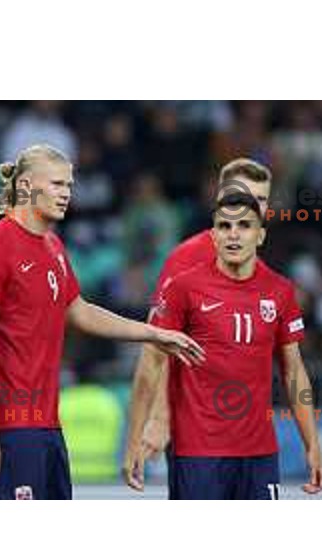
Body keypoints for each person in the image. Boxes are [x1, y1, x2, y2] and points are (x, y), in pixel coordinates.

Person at [0, 144, 204, 500]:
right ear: (26, 186)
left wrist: (154, 333)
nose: (66, 194)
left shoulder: (53, 247)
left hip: (46, 425)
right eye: (57, 184)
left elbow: (80, 311)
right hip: (6, 427)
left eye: (69, 186)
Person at [124, 193, 322, 499]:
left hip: (260, 454)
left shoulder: (280, 291)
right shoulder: (183, 288)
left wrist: (312, 445)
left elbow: (294, 372)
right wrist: (147, 428)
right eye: (224, 226)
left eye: (244, 225)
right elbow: (156, 360)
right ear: (213, 235)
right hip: (198, 453)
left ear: (260, 235)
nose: (233, 234)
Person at [122, 158, 273, 497]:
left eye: (261, 200)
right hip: (198, 437)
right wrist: (159, 419)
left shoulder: (260, 266)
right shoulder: (187, 258)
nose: (252, 206)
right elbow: (157, 345)